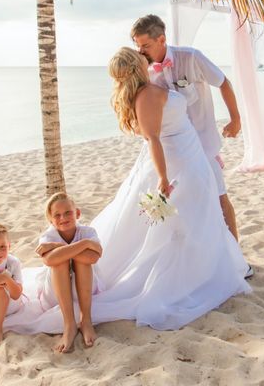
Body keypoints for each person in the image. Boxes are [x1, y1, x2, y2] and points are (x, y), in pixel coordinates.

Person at [82, 47, 250, 330]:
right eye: (139, 57)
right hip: (178, 163)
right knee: (180, 224)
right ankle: (188, 278)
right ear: (136, 67)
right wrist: (162, 178)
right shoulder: (146, 96)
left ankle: (204, 270)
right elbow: (153, 140)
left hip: (191, 154)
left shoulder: (149, 88)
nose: (142, 55)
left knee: (198, 216)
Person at [130, 15, 243, 242]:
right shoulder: (143, 72)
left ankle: (235, 255)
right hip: (169, 151)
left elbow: (223, 82)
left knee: (219, 198)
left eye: (145, 46)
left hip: (203, 145)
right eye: (137, 46)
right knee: (175, 204)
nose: (140, 52)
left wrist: (235, 119)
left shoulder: (191, 57)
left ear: (162, 39)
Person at [34, 192, 103, 353]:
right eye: (56, 215)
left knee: (83, 261)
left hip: (85, 288)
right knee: (59, 262)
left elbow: (93, 257)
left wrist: (58, 247)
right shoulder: (48, 235)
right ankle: (69, 324)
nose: (63, 218)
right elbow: (49, 261)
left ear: (77, 213)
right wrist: (83, 246)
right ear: (50, 220)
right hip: (57, 291)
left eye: (68, 213)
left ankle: (85, 320)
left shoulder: (87, 233)